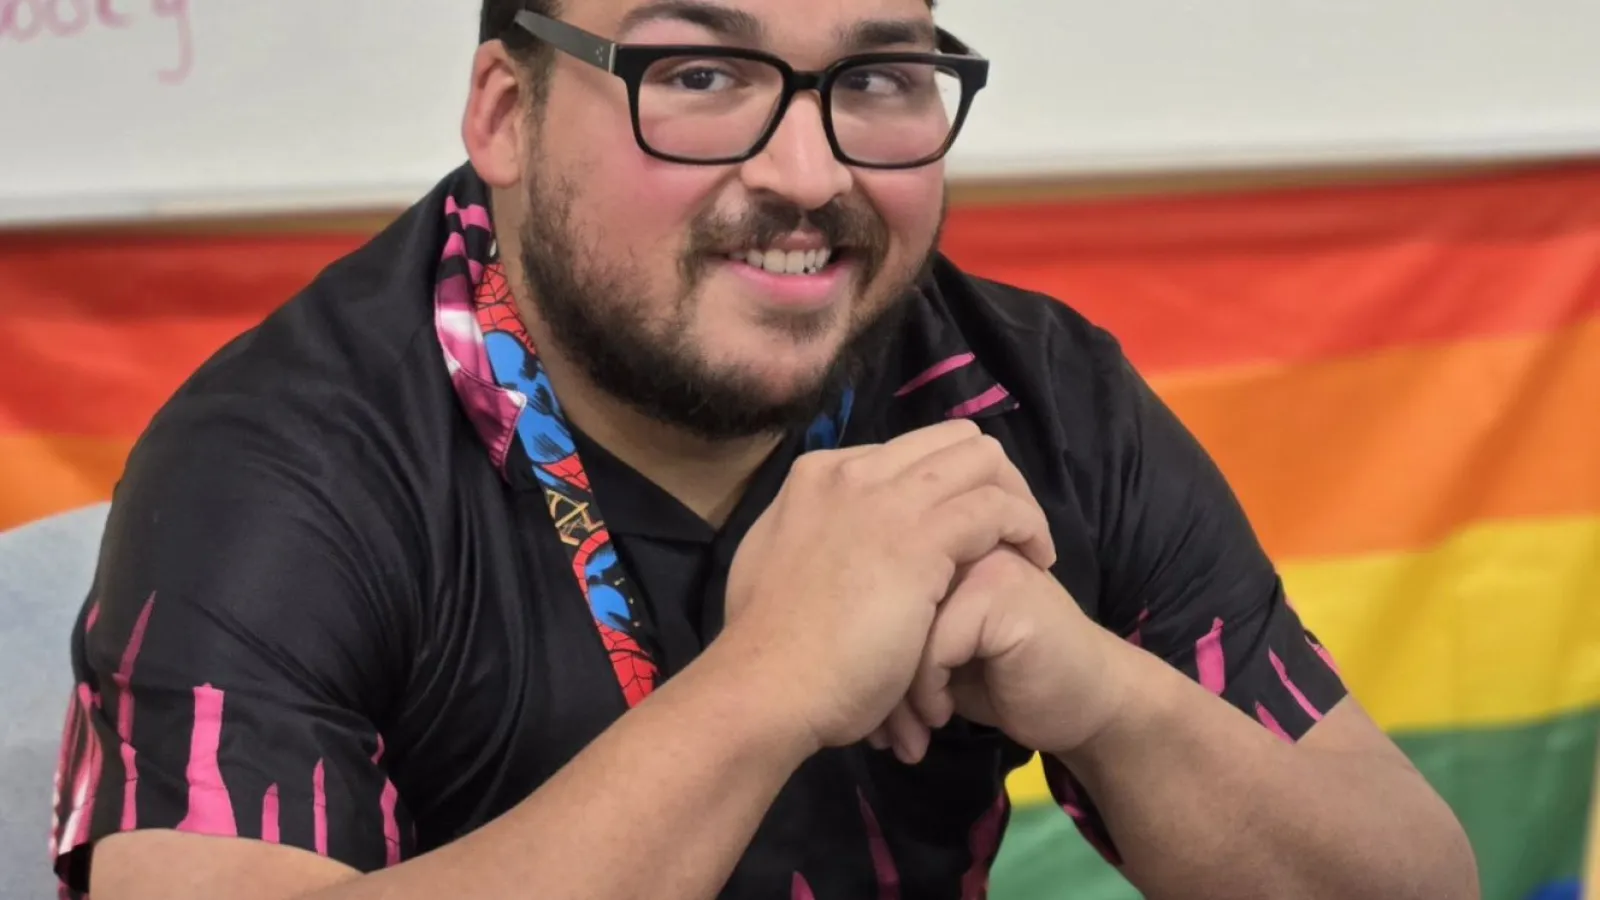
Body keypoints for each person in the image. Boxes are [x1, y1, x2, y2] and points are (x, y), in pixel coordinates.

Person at [51, 1, 1479, 898]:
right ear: (505, 111)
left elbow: (1415, 880)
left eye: (878, 80)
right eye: (701, 72)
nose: (808, 174)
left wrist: (1100, 697)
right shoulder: (289, 455)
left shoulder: (1023, 397)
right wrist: (772, 686)